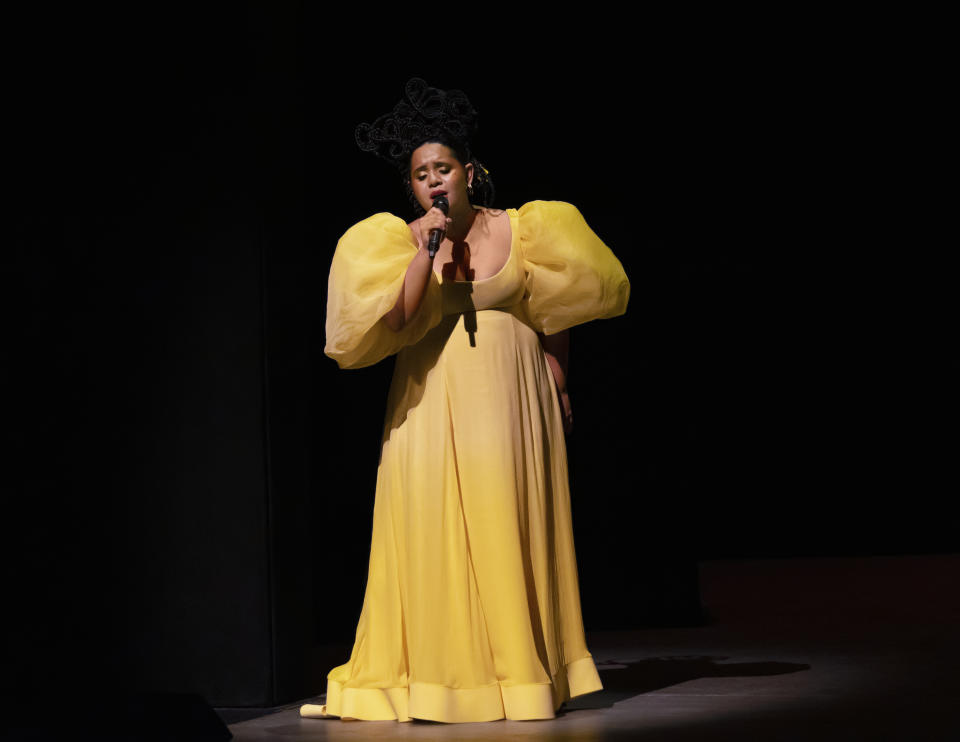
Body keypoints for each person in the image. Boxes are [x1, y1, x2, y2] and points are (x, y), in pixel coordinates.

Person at [300, 79, 630, 724]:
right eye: (421, 175)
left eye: (442, 168)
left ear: (469, 172)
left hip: (512, 400)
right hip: (432, 403)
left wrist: (559, 382)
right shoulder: (398, 243)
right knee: (436, 533)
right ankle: (441, 680)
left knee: (510, 525)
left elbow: (555, 310)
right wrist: (427, 249)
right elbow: (396, 321)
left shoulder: (526, 229)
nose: (433, 182)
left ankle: (525, 678)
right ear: (412, 188)